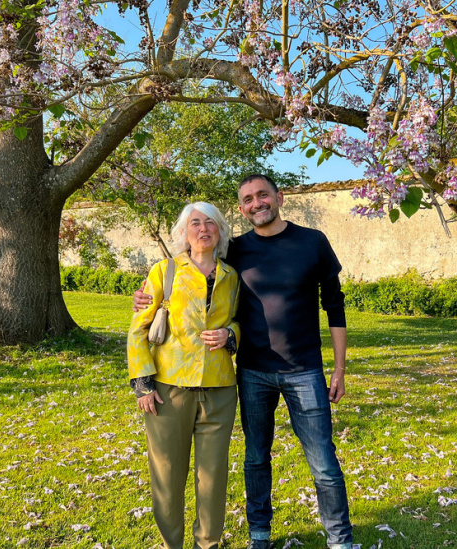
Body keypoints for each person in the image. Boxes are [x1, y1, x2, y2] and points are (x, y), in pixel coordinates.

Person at [135, 175, 353, 549]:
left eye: (263, 195)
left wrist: (339, 369)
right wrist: (143, 301)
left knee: (323, 464)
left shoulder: (309, 243)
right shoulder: (229, 252)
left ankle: (339, 539)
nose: (257, 203)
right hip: (250, 372)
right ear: (241, 209)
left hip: (300, 371)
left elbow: (334, 305)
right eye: (248, 199)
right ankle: (258, 536)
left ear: (279, 197)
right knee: (253, 460)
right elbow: (178, 290)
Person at [127, 202, 240, 549]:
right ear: (184, 232)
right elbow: (138, 329)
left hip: (220, 389)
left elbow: (240, 320)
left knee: (213, 476)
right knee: (167, 474)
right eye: (195, 223)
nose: (203, 229)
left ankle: (208, 544)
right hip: (168, 390)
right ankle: (171, 544)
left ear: (220, 231)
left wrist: (230, 334)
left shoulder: (231, 276)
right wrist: (143, 384)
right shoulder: (165, 270)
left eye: (210, 223)